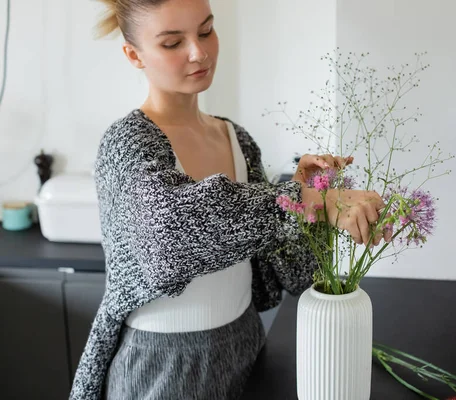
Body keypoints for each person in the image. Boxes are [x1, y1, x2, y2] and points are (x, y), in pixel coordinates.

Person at [70, 0, 390, 399]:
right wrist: (302, 201)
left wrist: (310, 195)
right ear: (134, 55)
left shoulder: (236, 138)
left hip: (247, 342)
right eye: (172, 42)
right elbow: (173, 237)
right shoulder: (127, 143)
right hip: (165, 365)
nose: (199, 52)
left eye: (206, 31)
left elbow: (295, 275)